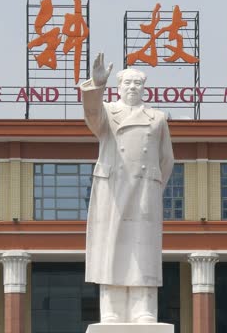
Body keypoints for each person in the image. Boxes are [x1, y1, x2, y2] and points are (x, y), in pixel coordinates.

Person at [79, 52, 175, 324]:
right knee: (111, 248)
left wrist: (153, 187)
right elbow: (92, 114)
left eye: (138, 84)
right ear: (119, 88)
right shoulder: (108, 112)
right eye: (127, 84)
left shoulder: (157, 117)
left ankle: (143, 308)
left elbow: (166, 159)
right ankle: (111, 309)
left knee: (143, 250)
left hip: (144, 192)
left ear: (144, 89)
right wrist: (97, 85)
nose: (133, 88)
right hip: (113, 189)